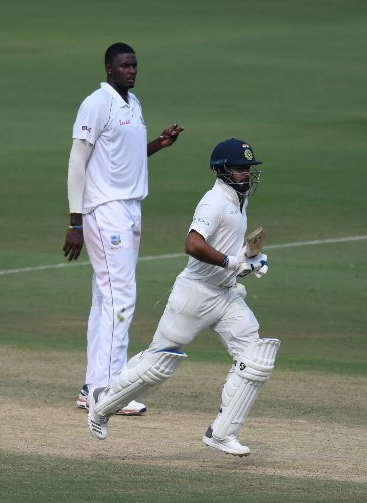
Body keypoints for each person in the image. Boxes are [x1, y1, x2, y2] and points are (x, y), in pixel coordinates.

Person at [85, 138, 280, 457]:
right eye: (240, 168)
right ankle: (102, 404)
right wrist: (233, 262)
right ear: (222, 170)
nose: (247, 173)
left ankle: (222, 433)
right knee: (158, 364)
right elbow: (192, 244)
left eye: (249, 168)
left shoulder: (238, 200)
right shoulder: (213, 202)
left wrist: (250, 257)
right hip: (195, 294)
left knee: (257, 359)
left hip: (226, 295)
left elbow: (228, 247)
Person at [63, 42, 184, 415]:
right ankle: (110, 390)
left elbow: (122, 155)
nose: (131, 70)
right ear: (108, 68)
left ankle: (93, 387)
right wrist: (75, 221)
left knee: (106, 298)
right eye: (123, 65)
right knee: (121, 299)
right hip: (105, 209)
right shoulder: (96, 103)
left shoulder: (133, 105)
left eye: (134, 64)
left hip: (130, 207)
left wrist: (158, 146)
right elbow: (77, 162)